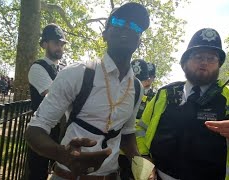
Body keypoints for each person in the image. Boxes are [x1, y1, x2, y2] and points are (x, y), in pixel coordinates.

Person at [25, 2, 152, 180]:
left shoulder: (137, 88)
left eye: (135, 25)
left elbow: (126, 133)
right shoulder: (77, 73)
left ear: (139, 40)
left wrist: (141, 164)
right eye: (117, 21)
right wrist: (64, 155)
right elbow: (34, 130)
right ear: (104, 34)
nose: (126, 27)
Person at [136, 28, 229, 180]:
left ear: (219, 65)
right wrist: (146, 159)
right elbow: (141, 129)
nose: (204, 62)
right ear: (184, 63)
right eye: (198, 56)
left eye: (212, 58)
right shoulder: (164, 94)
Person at [26, 23, 67, 180]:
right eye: (56, 43)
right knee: (37, 173)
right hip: (41, 131)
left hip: (60, 131)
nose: (60, 47)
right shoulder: (37, 68)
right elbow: (55, 97)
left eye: (62, 44)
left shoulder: (63, 69)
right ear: (44, 44)